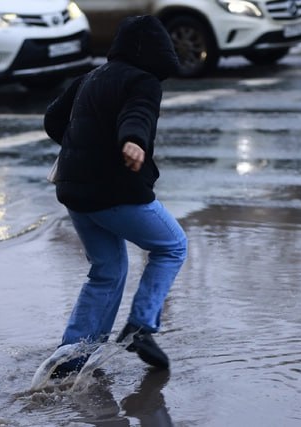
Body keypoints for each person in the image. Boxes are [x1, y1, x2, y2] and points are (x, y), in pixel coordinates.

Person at [41, 15, 188, 377]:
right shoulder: (144, 81)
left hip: (74, 192)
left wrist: (83, 149)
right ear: (156, 49)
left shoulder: (89, 77)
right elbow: (136, 114)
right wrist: (133, 141)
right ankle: (141, 327)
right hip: (114, 191)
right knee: (172, 246)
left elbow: (53, 119)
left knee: (107, 270)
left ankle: (72, 357)